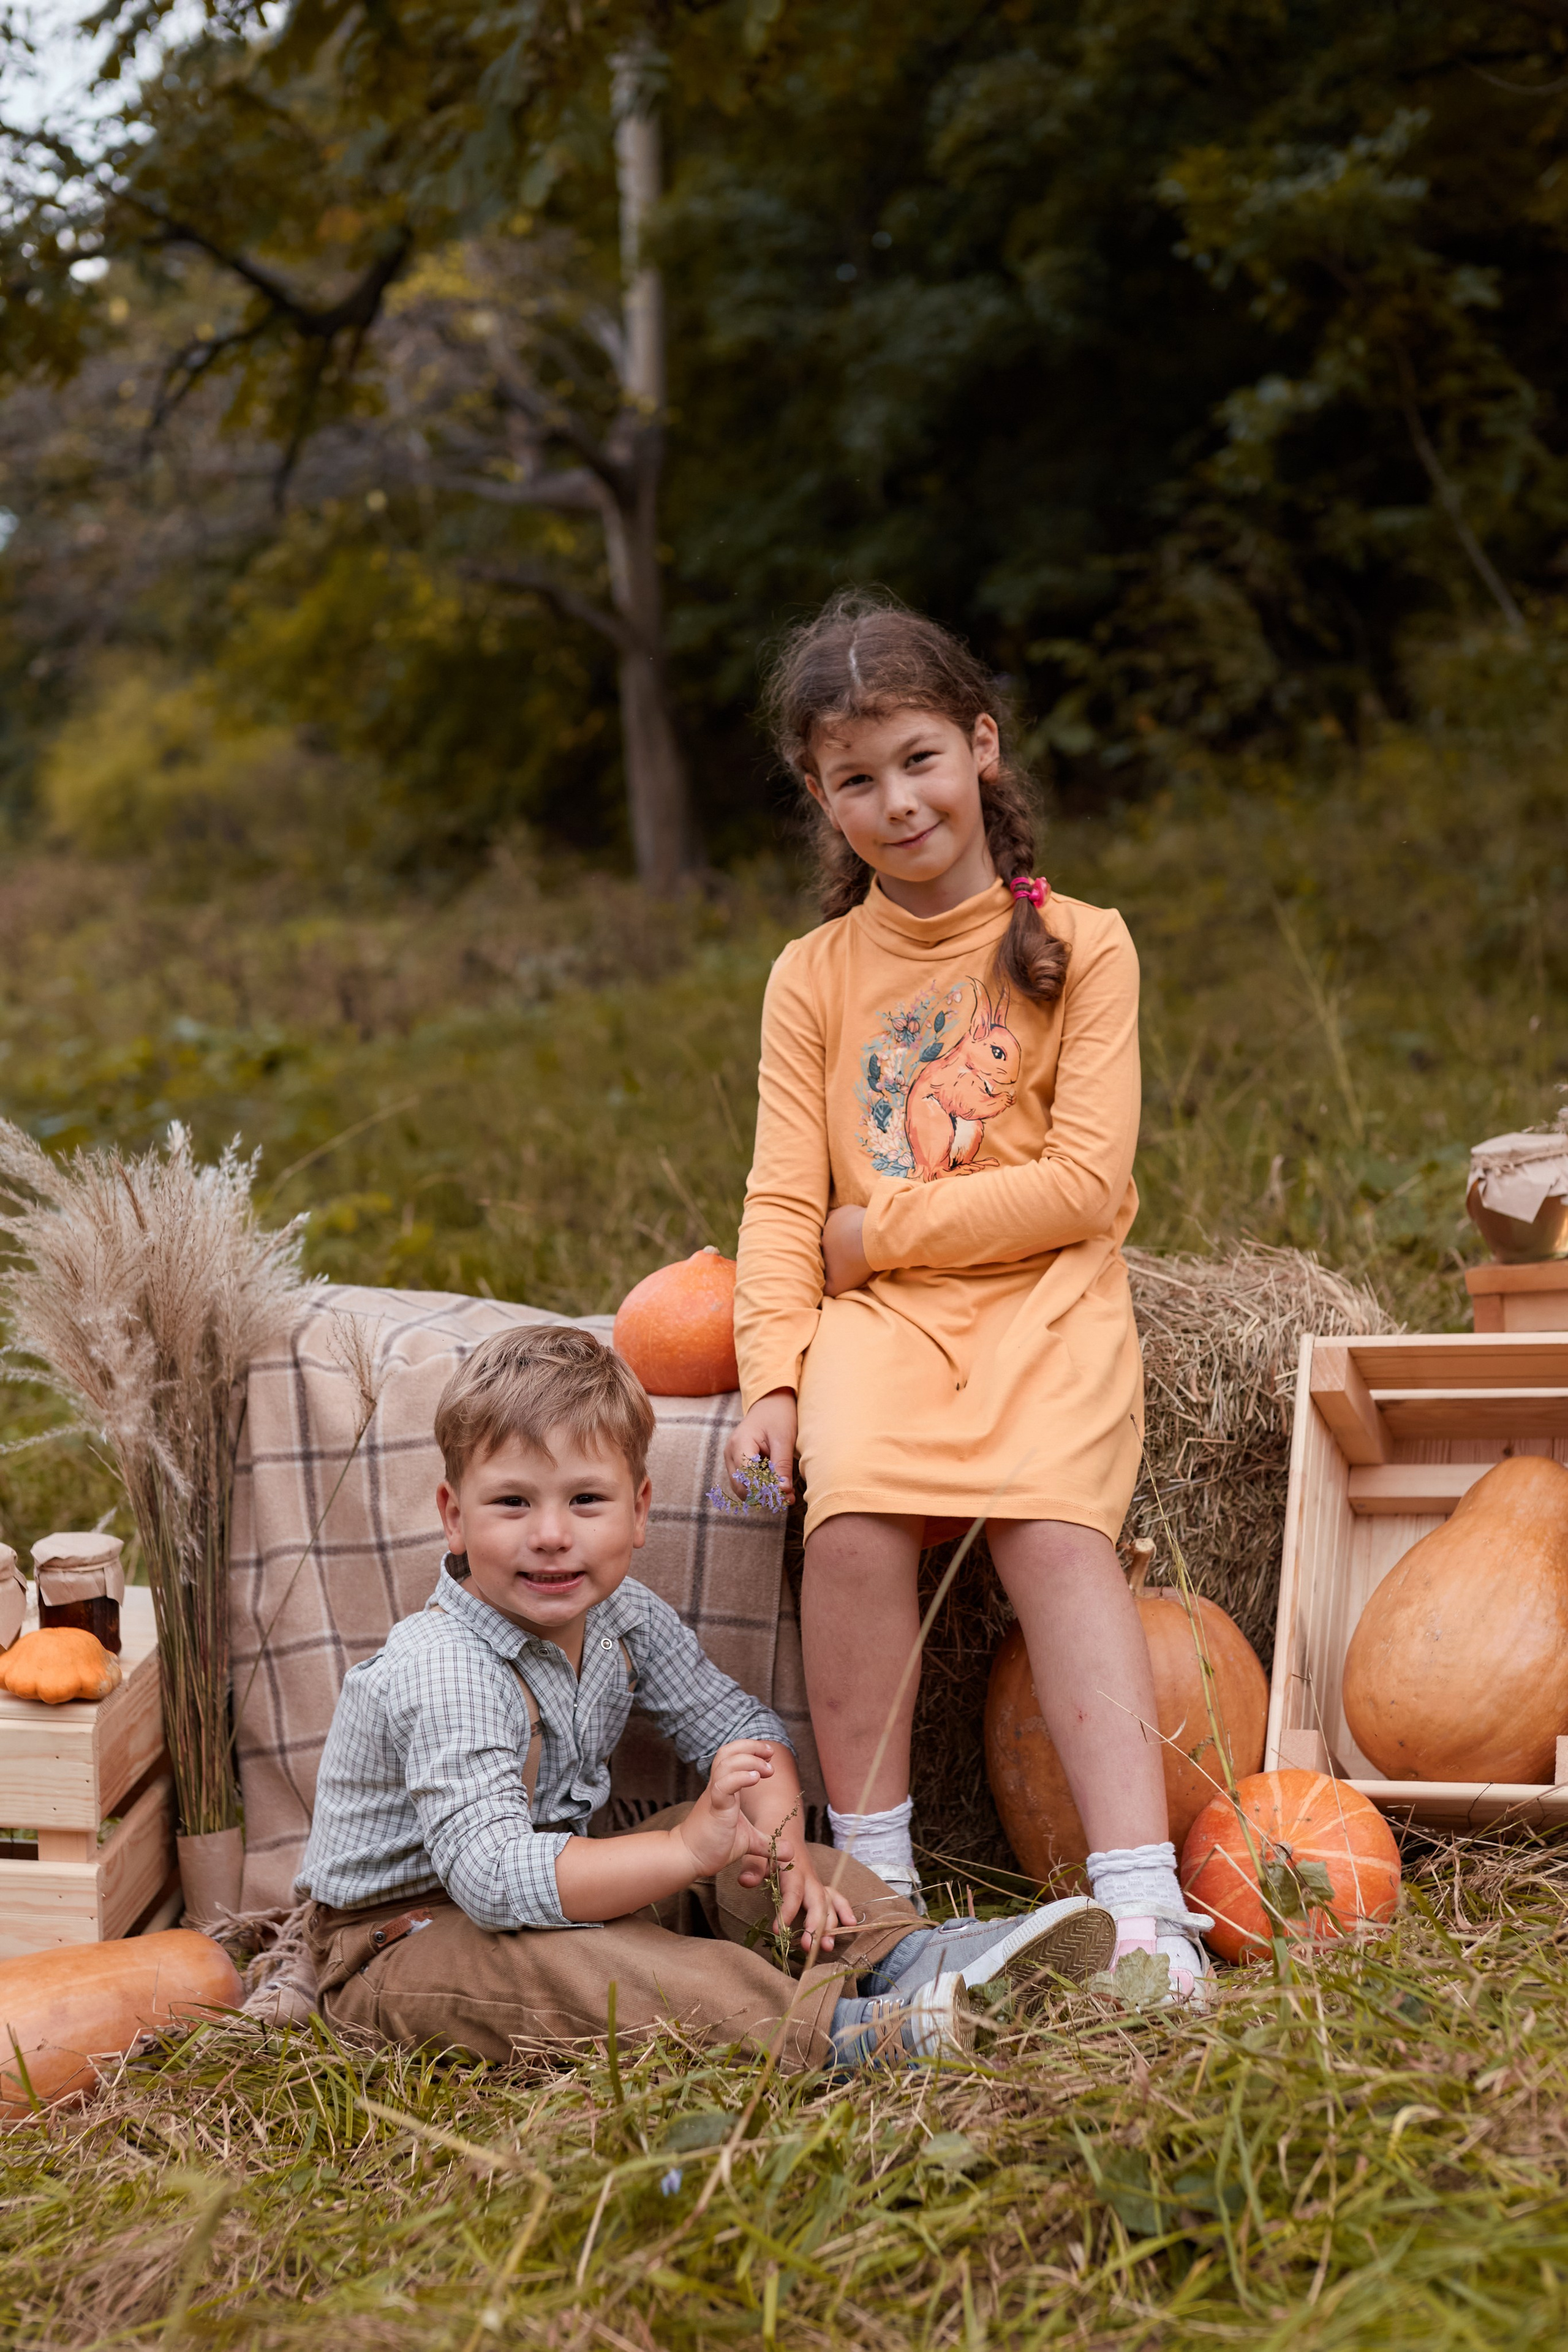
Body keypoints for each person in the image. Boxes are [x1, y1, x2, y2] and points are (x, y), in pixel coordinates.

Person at [725, 591, 1212, 1999]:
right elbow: (776, 1200)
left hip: (1044, 1301)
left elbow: (1082, 1192)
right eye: (855, 779)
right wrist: (771, 1371)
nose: (896, 801)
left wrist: (876, 1234)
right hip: (886, 1330)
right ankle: (878, 1889)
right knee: (856, 1526)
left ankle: (1139, 1902)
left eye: (919, 758)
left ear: (981, 746)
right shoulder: (810, 977)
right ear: (819, 796)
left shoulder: (1084, 943)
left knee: (1053, 1541)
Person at [297, 1324, 1118, 2072]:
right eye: (513, 1502)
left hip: (548, 1887)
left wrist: (782, 1850)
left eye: (586, 1500)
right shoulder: (447, 1666)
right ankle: (854, 2031)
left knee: (749, 1860)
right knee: (585, 1967)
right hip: (405, 1942)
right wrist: (687, 1850)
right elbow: (491, 1878)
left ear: (640, 1511)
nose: (550, 1533)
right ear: (453, 1517)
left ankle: (914, 1957)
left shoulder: (623, 1619)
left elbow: (741, 1732)